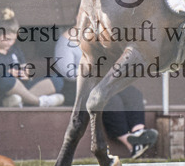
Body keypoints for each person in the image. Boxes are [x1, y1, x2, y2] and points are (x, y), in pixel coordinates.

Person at [54, 22, 159, 158]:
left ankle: (139, 133)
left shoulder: (98, 39)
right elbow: (66, 71)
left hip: (101, 81)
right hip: (78, 87)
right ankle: (130, 143)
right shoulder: (66, 41)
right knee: (110, 99)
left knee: (132, 93)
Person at [0, 9, 66, 108]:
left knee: (57, 80)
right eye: (7, 39)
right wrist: (3, 73)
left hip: (21, 88)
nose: (10, 43)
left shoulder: (15, 50)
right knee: (6, 78)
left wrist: (22, 74)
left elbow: (27, 75)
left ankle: (18, 101)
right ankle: (39, 102)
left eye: (13, 39)